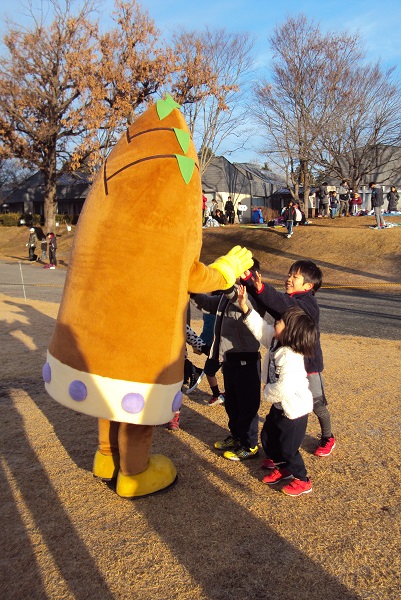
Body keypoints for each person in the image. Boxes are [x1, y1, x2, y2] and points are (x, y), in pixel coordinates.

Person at [241, 259, 336, 457]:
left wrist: (260, 287)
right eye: (289, 275)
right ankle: (281, 448)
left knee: (317, 403)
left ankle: (328, 436)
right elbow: (275, 303)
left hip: (309, 365)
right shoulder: (289, 301)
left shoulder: (308, 304)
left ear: (309, 286)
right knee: (285, 405)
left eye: (295, 276)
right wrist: (251, 283)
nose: (289, 279)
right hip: (290, 364)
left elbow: (284, 305)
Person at [237, 291, 317, 496]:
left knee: (288, 448)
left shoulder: (291, 355)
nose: (276, 322)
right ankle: (283, 470)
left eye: (280, 321)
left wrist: (267, 391)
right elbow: (260, 328)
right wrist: (245, 306)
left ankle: (302, 480)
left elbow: (285, 387)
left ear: (290, 331)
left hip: (294, 410)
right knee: (269, 437)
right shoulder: (276, 341)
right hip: (281, 406)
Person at [191, 260, 264, 461]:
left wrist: (225, 281)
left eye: (240, 273)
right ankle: (237, 437)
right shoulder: (225, 298)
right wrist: (193, 292)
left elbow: (241, 303)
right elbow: (207, 304)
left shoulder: (254, 298)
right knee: (232, 403)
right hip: (229, 358)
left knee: (247, 405)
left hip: (247, 359)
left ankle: (250, 445)